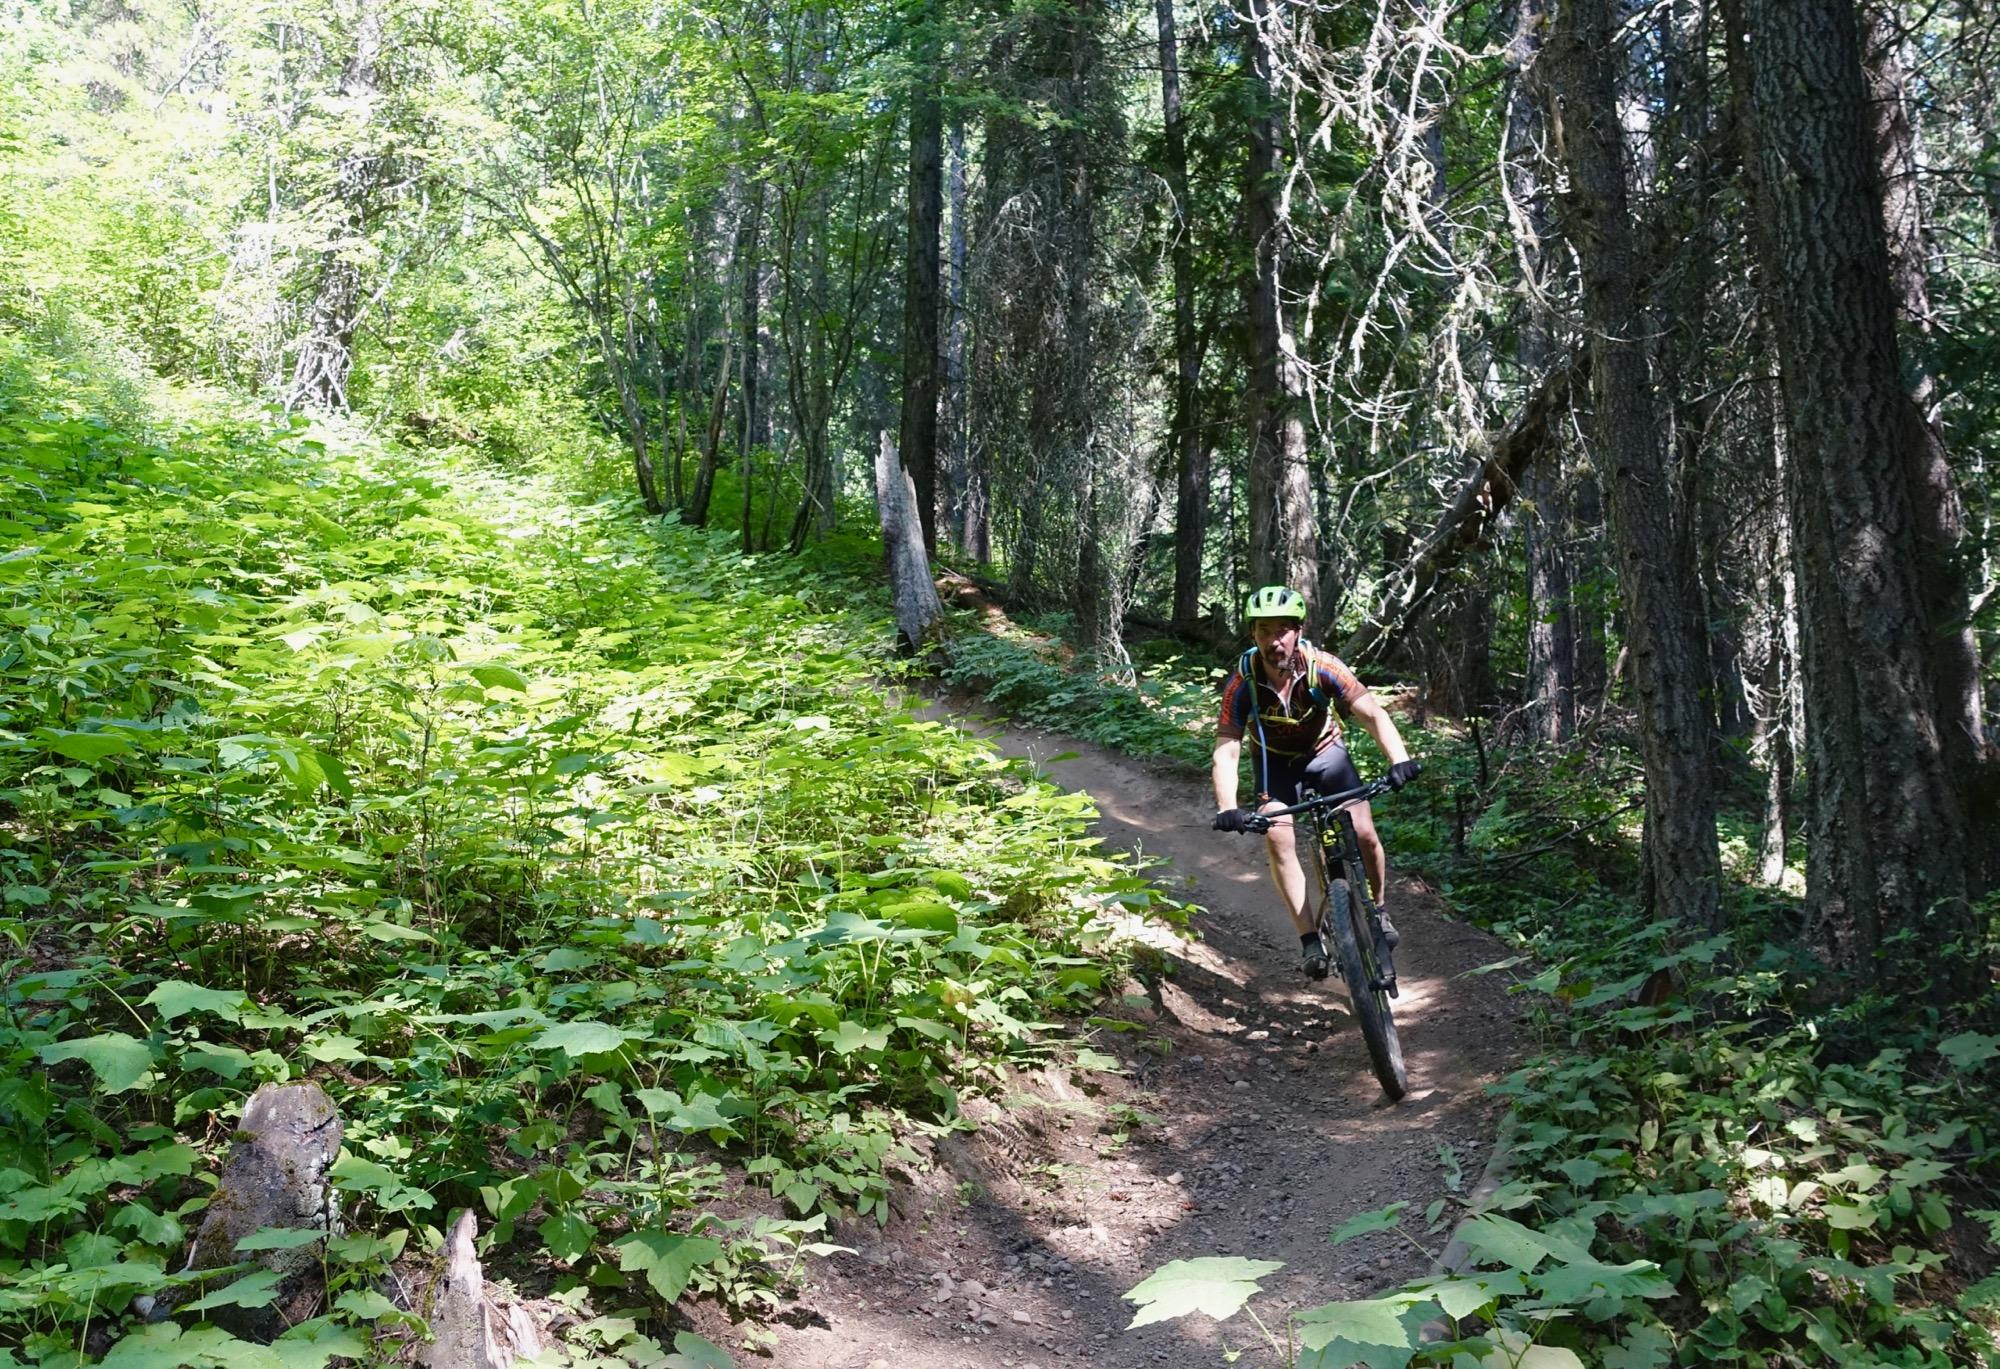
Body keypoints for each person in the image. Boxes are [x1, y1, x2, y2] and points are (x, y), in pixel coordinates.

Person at [1210, 585, 1420, 979]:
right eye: (1264, 631)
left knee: (1364, 832)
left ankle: (1379, 909)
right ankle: (1309, 939)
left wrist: (1400, 760)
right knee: (1278, 836)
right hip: (1275, 762)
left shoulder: (1323, 667)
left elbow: (1372, 714)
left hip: (1326, 754)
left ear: (1298, 631)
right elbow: (1227, 749)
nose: (1274, 640)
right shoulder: (1243, 682)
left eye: (1283, 630)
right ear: (1253, 634)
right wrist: (1227, 806)